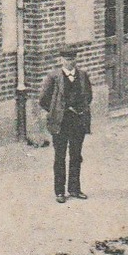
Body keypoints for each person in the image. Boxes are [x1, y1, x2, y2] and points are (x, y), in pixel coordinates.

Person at [37, 49, 92, 203]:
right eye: (67, 59)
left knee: (76, 156)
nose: (70, 62)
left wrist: (80, 109)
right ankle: (59, 191)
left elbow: (88, 96)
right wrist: (57, 110)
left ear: (76, 60)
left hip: (78, 121)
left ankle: (74, 189)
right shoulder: (53, 77)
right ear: (61, 60)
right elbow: (43, 100)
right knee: (60, 157)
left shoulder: (82, 76)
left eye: (72, 59)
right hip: (60, 123)